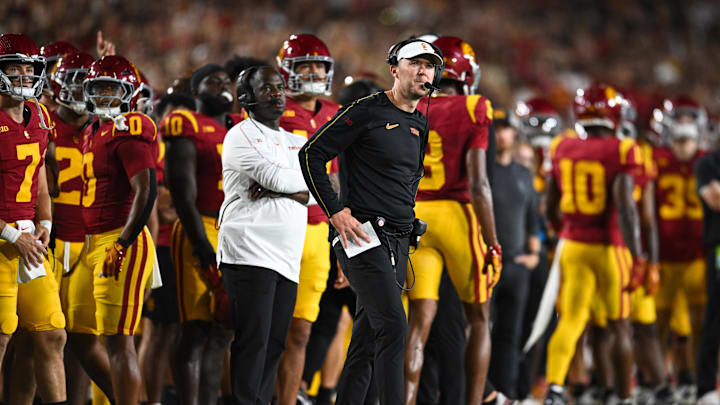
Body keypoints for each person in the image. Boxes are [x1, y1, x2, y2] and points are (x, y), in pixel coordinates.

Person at [299, 37, 445, 405]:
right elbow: (311, 154)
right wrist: (334, 210)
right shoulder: (366, 110)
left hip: (397, 240)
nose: (423, 71)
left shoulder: (419, 122)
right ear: (394, 68)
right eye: (415, 63)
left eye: (429, 65)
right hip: (362, 234)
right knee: (394, 328)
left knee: (366, 341)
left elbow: (405, 183)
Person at [399, 36, 500, 405]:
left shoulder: (407, 104)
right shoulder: (474, 106)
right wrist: (492, 239)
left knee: (418, 324)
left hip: (415, 217)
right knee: (478, 318)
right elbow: (479, 183)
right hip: (457, 215)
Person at [544, 84, 644, 405]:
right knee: (618, 325)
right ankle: (624, 396)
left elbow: (549, 205)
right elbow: (627, 209)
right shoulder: (625, 149)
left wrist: (564, 230)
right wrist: (638, 255)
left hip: (573, 244)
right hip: (609, 246)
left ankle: (555, 388)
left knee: (571, 320)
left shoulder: (562, 145)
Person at [218, 65, 311, 405]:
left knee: (275, 342)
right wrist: (291, 189)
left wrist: (283, 190)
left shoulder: (297, 141)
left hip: (286, 256)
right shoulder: (239, 135)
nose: (276, 93)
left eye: (279, 87)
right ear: (246, 98)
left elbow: (323, 191)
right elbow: (278, 179)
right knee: (253, 339)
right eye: (266, 88)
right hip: (248, 248)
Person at [69, 55, 158, 405]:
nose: (105, 96)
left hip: (119, 240)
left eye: (112, 88)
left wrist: (122, 243)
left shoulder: (130, 127)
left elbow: (145, 191)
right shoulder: (93, 129)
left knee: (119, 340)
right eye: (99, 89)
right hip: (89, 244)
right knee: (77, 334)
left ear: (128, 93)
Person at [161, 63, 241, 405]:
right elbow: (182, 194)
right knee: (195, 329)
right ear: (196, 91)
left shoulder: (241, 126)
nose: (222, 85)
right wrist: (202, 244)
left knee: (223, 329)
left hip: (236, 231)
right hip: (201, 225)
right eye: (213, 80)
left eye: (226, 81)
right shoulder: (186, 122)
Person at [0, 32, 67, 405]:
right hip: (4, 239)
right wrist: (13, 236)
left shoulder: (39, 114)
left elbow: (40, 177)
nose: (24, 76)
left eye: (29, 69)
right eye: (15, 68)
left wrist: (45, 223)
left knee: (52, 333)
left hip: (28, 238)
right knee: (1, 336)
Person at [274, 34, 341, 405]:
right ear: (288, 70)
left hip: (318, 230)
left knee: (301, 330)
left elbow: (339, 180)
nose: (314, 72)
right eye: (305, 65)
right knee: (266, 329)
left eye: (319, 65)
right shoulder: (273, 108)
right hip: (278, 225)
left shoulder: (335, 112)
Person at [46, 50, 96, 405]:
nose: (79, 89)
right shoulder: (42, 121)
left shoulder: (105, 125)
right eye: (73, 79)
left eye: (87, 80)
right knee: (33, 336)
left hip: (91, 244)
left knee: (82, 340)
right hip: (48, 241)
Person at [652, 96, 708, 404]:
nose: (685, 125)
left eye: (690, 119)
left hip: (698, 254)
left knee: (701, 322)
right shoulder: (656, 159)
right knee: (657, 325)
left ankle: (700, 379)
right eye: (680, 118)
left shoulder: (709, 159)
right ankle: (660, 382)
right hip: (664, 256)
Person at [488, 106, 540, 401]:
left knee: (510, 334)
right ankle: (480, 392)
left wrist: (533, 253)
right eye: (496, 127)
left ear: (514, 132)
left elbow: (532, 217)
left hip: (517, 263)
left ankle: (505, 393)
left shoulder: (523, 173)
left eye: (505, 127)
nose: (501, 133)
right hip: (486, 261)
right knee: (480, 330)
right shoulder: (481, 169)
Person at [695, 138, 720, 405]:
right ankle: (705, 388)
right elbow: (716, 200)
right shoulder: (708, 163)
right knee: (715, 316)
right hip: (719, 246)